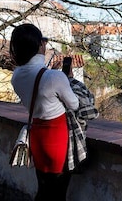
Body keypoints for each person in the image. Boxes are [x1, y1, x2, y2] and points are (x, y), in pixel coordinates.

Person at [10, 24, 79, 201]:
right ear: (40, 45)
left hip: (37, 138)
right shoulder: (55, 77)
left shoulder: (16, 76)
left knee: (43, 190)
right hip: (57, 141)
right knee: (58, 194)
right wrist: (68, 79)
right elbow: (74, 104)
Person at [61, 56, 99, 172]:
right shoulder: (77, 86)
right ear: (72, 70)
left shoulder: (47, 84)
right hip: (72, 138)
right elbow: (91, 113)